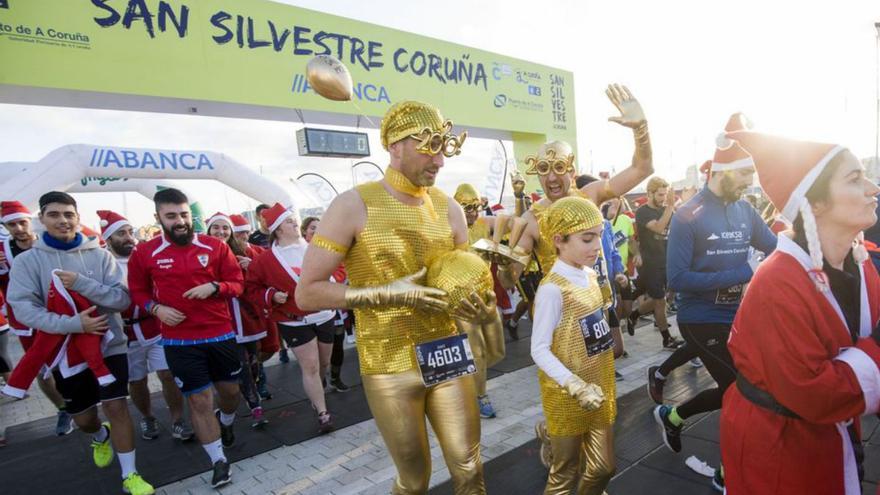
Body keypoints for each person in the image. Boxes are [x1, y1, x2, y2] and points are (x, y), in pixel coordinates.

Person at [295, 100, 492, 493]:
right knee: (414, 480)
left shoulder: (449, 207)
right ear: (395, 146)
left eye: (444, 148)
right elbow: (307, 293)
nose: (439, 160)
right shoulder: (353, 204)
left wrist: (479, 304)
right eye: (429, 146)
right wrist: (385, 294)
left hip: (447, 353)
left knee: (469, 469)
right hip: (389, 364)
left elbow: (466, 279)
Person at [719, 131, 880, 494]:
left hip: (828, 429)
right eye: (855, 179)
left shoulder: (860, 262)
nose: (873, 188)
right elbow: (812, 393)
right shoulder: (776, 283)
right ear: (815, 203)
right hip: (777, 441)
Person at [649, 117, 777, 490]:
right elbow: (677, 280)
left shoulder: (745, 210)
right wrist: (741, 272)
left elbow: (774, 249)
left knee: (741, 388)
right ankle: (728, 472)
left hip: (739, 315)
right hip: (700, 317)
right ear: (721, 172)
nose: (751, 181)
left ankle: (672, 417)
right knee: (744, 392)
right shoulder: (689, 215)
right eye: (745, 174)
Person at [7, 192, 154, 495]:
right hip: (65, 353)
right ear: (42, 219)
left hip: (110, 345)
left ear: (77, 217)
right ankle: (99, 435)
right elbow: (23, 309)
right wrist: (74, 325)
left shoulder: (100, 255)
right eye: (54, 214)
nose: (62, 220)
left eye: (68, 214)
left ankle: (130, 475)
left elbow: (122, 299)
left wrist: (83, 284)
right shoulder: (28, 261)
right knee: (85, 418)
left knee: (117, 406)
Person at [127, 188, 243, 489]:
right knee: (199, 400)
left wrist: (215, 287)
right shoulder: (144, 252)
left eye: (183, 215)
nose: (179, 221)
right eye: (171, 216)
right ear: (158, 218)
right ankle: (218, 461)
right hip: (179, 342)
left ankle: (227, 422)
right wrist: (156, 308)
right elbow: (137, 292)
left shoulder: (214, 246)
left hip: (220, 334)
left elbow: (237, 283)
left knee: (230, 393)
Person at [530, 196, 617, 495]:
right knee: (564, 473)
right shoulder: (553, 289)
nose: (596, 246)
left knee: (603, 467)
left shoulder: (590, 275)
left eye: (600, 236)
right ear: (559, 240)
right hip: (567, 395)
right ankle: (550, 434)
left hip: (599, 386)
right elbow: (538, 349)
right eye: (587, 238)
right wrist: (575, 385)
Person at [99, 210, 193, 442]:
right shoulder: (103, 262)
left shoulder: (145, 255)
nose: (128, 237)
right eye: (121, 233)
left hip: (155, 327)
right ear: (109, 238)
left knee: (168, 374)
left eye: (130, 232)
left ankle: (177, 419)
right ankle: (148, 416)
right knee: (136, 380)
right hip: (125, 335)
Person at [245, 203, 336, 433]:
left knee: (323, 363)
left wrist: (331, 280)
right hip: (293, 320)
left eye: (294, 219)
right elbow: (251, 288)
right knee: (311, 366)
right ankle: (323, 413)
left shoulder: (317, 247)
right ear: (277, 229)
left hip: (324, 314)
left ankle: (317, 390)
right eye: (289, 221)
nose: (295, 222)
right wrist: (271, 295)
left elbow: (339, 267)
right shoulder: (265, 261)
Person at [0, 200, 73, 436]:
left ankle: (82, 402)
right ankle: (62, 408)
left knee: (71, 363)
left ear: (31, 221)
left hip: (60, 316)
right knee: (42, 369)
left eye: (22, 222)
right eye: (12, 225)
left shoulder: (48, 243)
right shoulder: (2, 253)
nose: (19, 228)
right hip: (26, 323)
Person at [206, 212, 269, 428]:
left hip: (246, 318)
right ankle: (255, 407)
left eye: (225, 228)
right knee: (240, 365)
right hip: (219, 320)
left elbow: (265, 274)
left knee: (252, 364)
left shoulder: (244, 251)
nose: (221, 232)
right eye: (216, 228)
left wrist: (250, 266)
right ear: (208, 230)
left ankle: (242, 401)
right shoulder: (199, 253)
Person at [453, 183, 510, 418]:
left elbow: (510, 220)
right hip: (461, 302)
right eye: (466, 207)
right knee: (476, 351)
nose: (472, 212)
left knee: (495, 352)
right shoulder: (448, 228)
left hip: (486, 298)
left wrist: (495, 244)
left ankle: (468, 383)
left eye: (476, 206)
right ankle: (479, 396)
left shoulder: (483, 224)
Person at [627, 177, 685, 349]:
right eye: (660, 195)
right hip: (651, 263)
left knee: (662, 300)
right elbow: (659, 228)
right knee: (659, 301)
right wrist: (670, 207)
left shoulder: (666, 210)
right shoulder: (643, 212)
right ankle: (666, 338)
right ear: (649, 193)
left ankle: (634, 314)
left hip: (667, 261)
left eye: (665, 194)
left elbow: (676, 231)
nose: (664, 198)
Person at [300, 216, 352, 393]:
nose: (317, 231)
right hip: (310, 309)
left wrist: (325, 281)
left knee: (337, 343)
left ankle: (335, 377)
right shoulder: (298, 251)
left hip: (333, 305)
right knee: (315, 351)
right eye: (313, 228)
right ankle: (318, 379)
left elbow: (341, 271)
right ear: (305, 232)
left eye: (320, 227)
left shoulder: (331, 247)